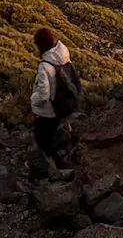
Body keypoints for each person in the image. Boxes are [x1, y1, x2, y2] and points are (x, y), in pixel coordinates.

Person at [29, 26, 79, 167]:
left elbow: (44, 94)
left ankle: (54, 167)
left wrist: (33, 100)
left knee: (43, 139)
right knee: (52, 134)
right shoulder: (62, 55)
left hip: (47, 111)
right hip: (62, 105)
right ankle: (62, 159)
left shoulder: (45, 66)